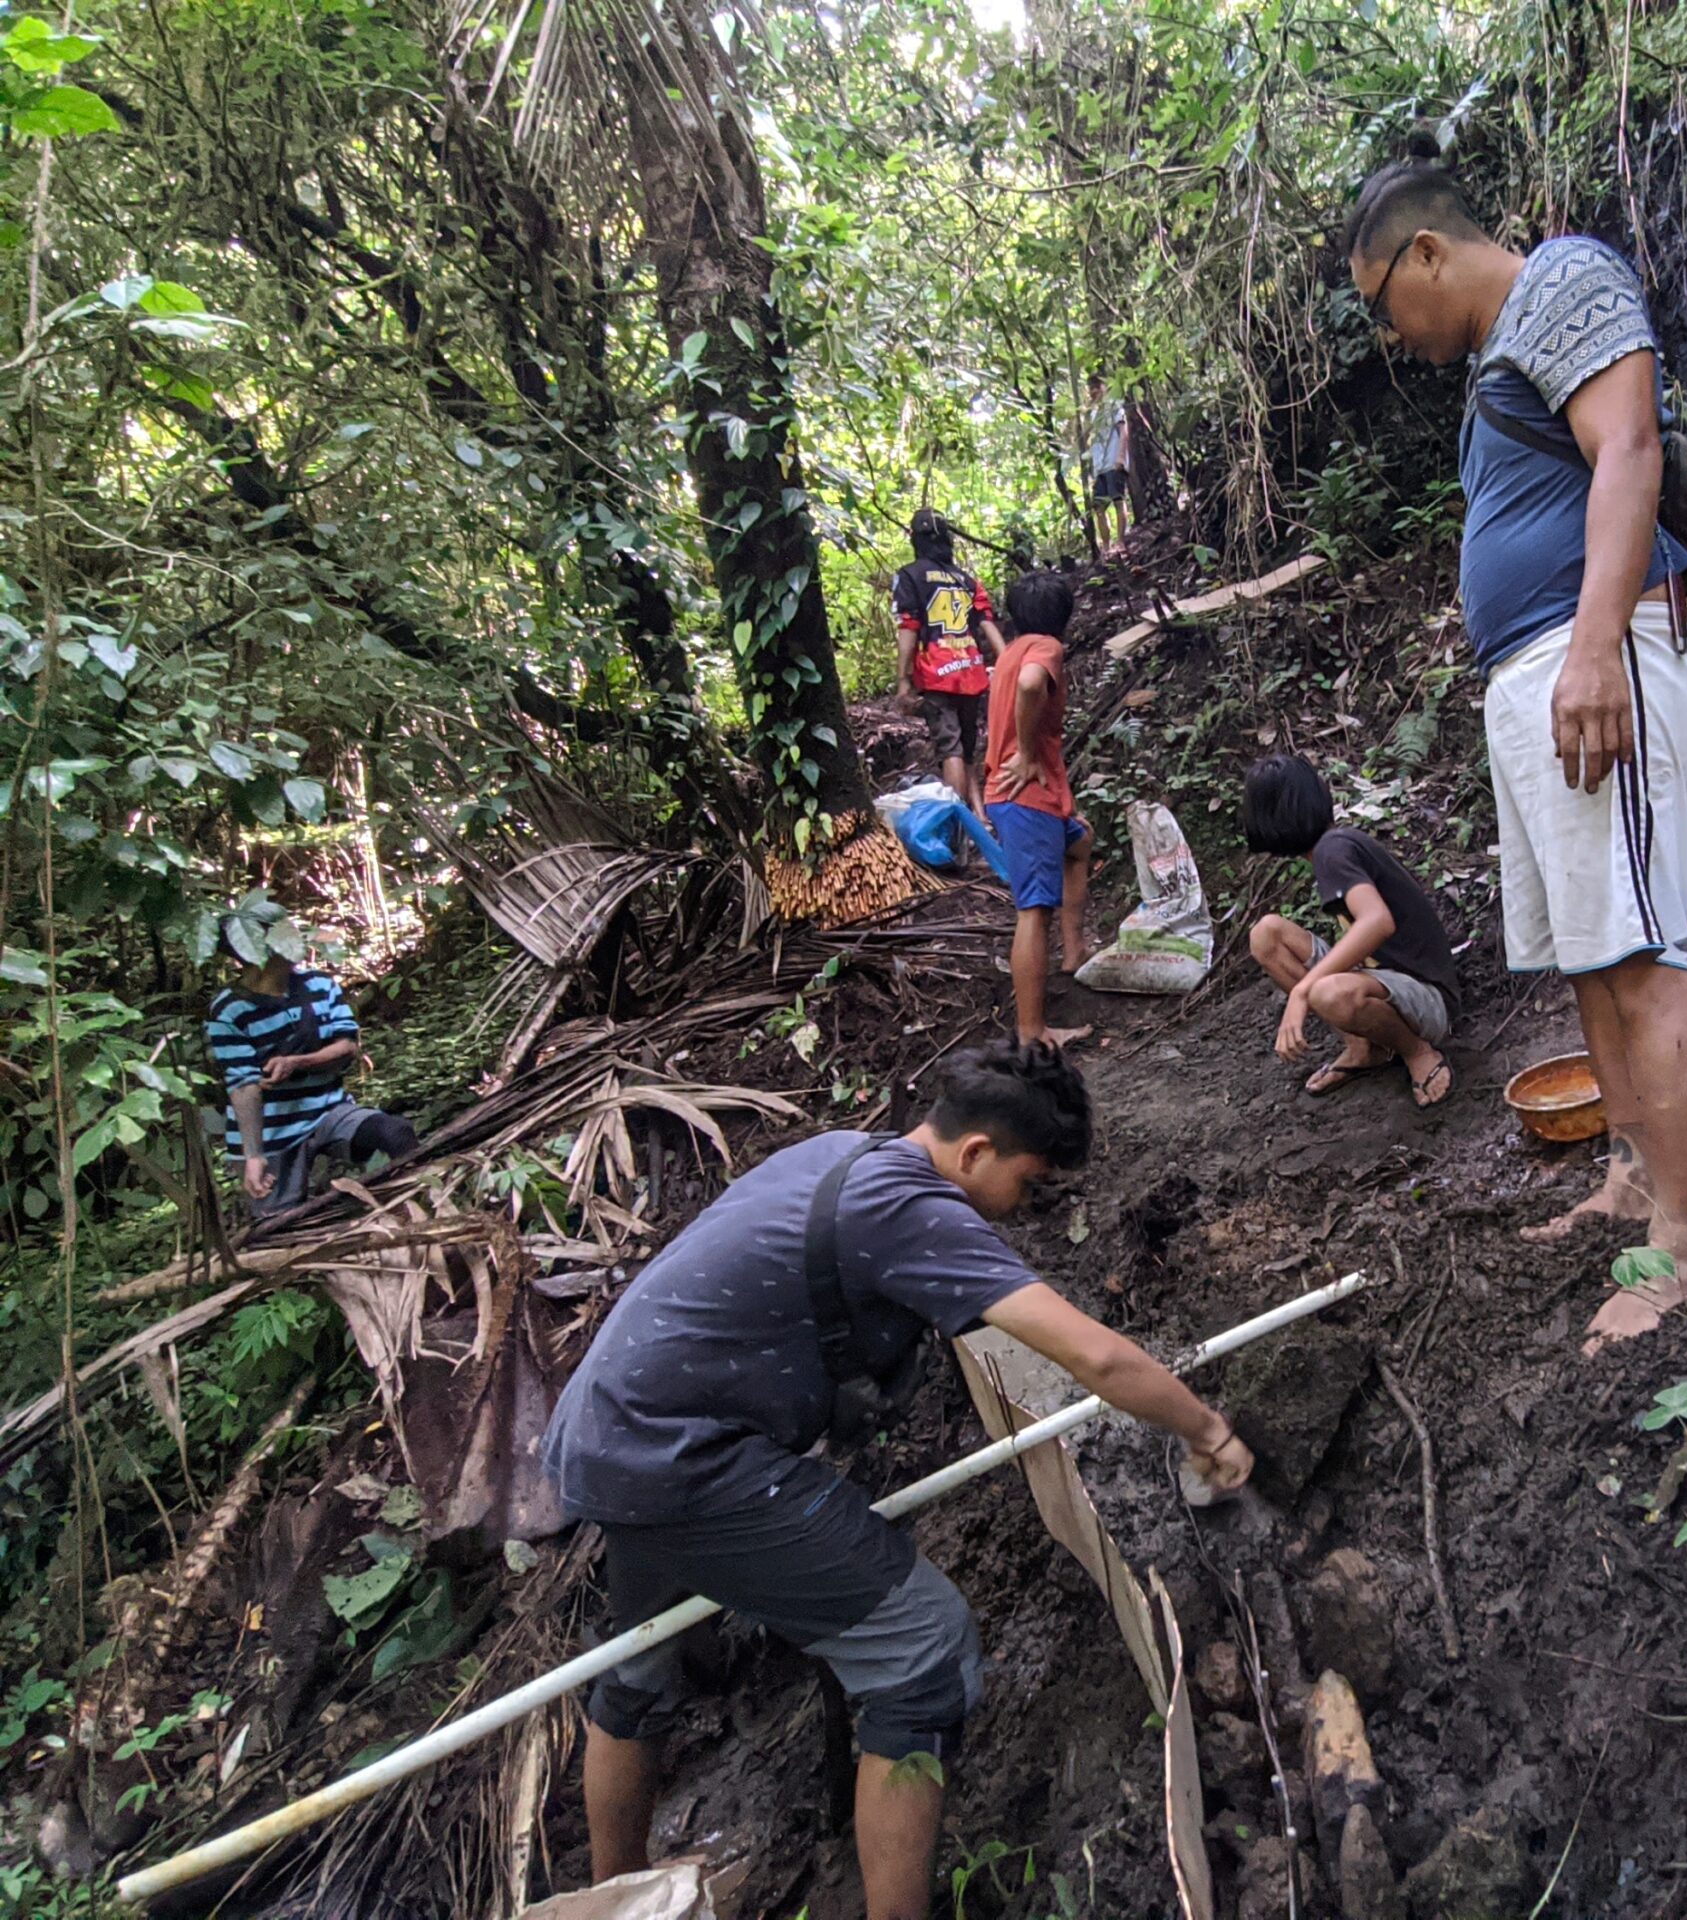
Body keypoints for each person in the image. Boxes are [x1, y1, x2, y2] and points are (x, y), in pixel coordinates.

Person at [542, 1041, 1253, 1918]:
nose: (1022, 1211)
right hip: (682, 1459)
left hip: (609, 1430)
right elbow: (1097, 1357)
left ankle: (615, 1900)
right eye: (1026, 1185)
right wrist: (1208, 1429)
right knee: (922, 1652)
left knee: (637, 1668)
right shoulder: (909, 1208)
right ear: (977, 1154)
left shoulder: (841, 1153)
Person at [1343, 140, 1687, 1352]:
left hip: (1584, 656)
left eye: (1382, 306)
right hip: (1540, 667)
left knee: (1638, 949)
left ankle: (1685, 1233)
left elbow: (1629, 447)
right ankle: (1627, 1173)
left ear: (1426, 251)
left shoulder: (1562, 279)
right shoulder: (1503, 357)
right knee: (1587, 954)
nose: (1391, 336)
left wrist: (1596, 646)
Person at [1241, 754, 1458, 1109]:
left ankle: (1417, 1052)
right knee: (1267, 934)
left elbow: (1377, 921)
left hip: (1428, 1000)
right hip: (1381, 981)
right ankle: (1362, 1047)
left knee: (1327, 993)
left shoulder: (1333, 850)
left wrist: (1302, 993)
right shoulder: (1332, 848)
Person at [204, 913, 416, 1218]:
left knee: (396, 1133)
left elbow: (347, 1046)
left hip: (328, 1111)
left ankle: (416, 1215)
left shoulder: (318, 984)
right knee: (281, 1225)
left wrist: (297, 1062)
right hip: (270, 1134)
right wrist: (253, 1156)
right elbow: (243, 1085)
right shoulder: (228, 1010)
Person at [985, 569, 1092, 1047]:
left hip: (1034, 799)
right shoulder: (1044, 649)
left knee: (1081, 841)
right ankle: (1032, 1031)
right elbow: (1032, 687)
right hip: (1025, 797)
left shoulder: (1009, 651)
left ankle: (1075, 954)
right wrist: (1027, 755)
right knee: (1034, 911)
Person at [892, 509, 1005, 819]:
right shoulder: (967, 580)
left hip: (936, 674)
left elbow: (908, 628)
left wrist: (903, 680)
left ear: (915, 540)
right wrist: (1008, 662)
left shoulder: (909, 576)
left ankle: (957, 827)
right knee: (967, 749)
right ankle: (980, 816)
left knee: (950, 750)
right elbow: (986, 623)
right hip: (971, 672)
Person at [1084, 375, 1130, 550]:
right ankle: (1105, 545)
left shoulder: (1114, 406)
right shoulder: (1093, 414)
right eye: (1091, 388)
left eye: (1097, 386)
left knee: (1118, 500)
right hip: (1099, 466)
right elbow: (1088, 439)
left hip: (1113, 461)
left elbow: (1123, 431)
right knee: (1098, 507)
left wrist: (1121, 457)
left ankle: (1121, 541)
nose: (1094, 391)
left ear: (1105, 387)